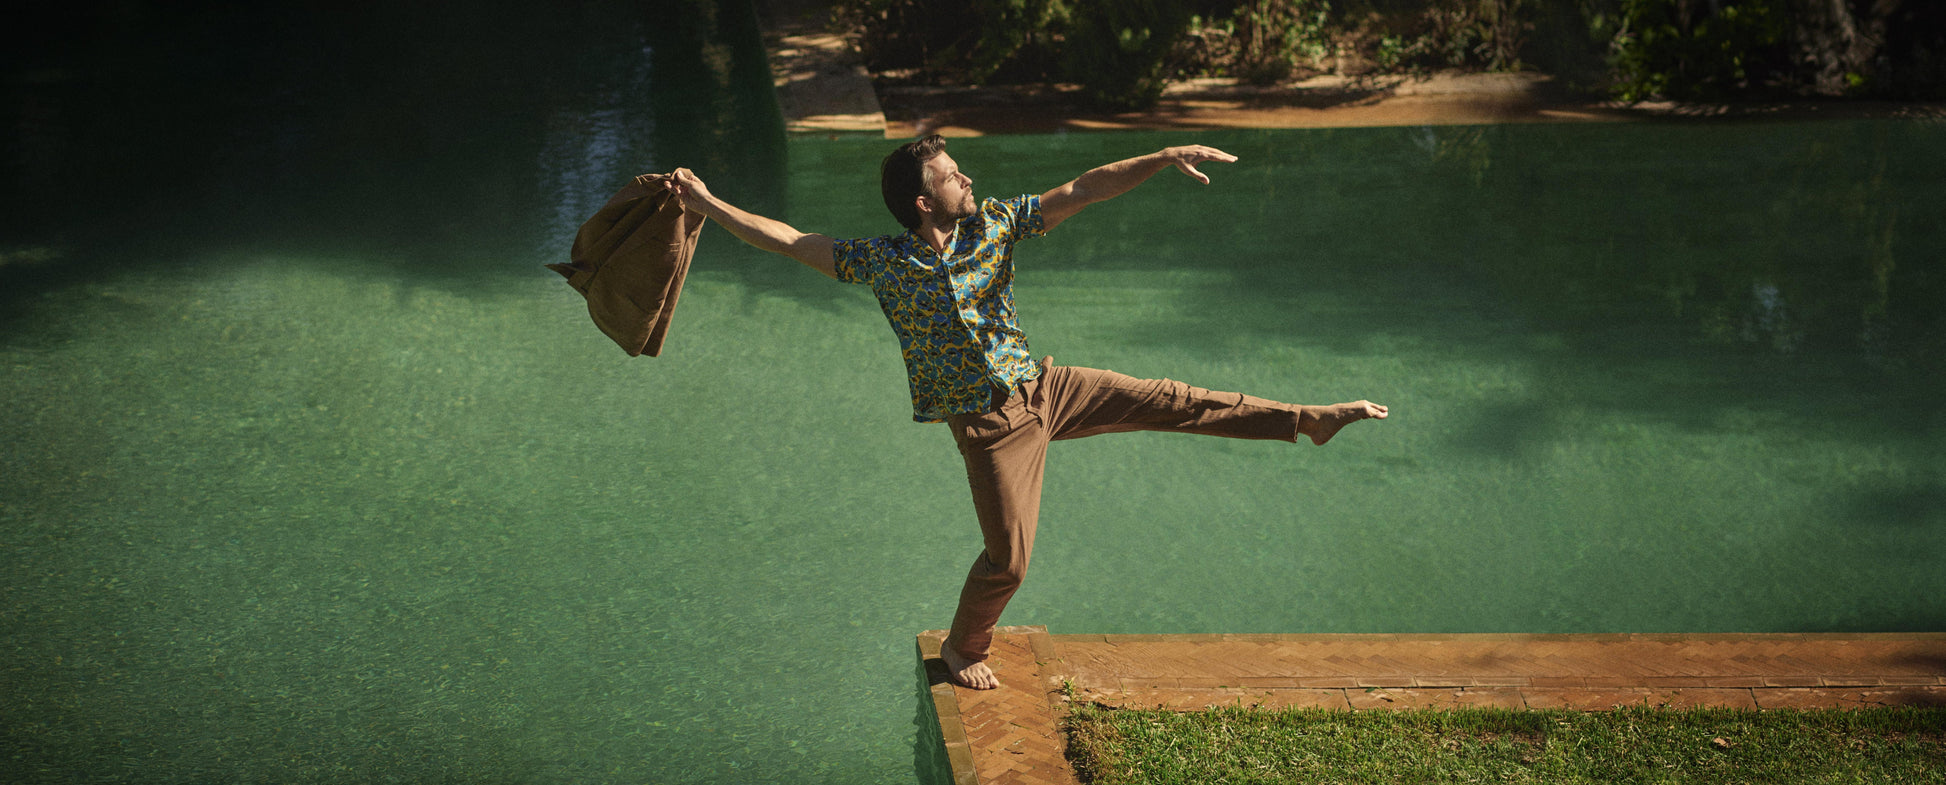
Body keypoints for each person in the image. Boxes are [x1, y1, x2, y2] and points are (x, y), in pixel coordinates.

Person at [667, 137, 1387, 690]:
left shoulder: (996, 225)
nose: (967, 180)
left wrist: (1163, 157)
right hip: (988, 429)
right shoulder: (883, 262)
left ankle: (1304, 418)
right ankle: (962, 648)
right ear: (924, 201)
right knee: (1008, 560)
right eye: (953, 176)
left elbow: (1083, 189)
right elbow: (788, 239)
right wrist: (706, 203)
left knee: (1172, 398)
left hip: (1046, 389)